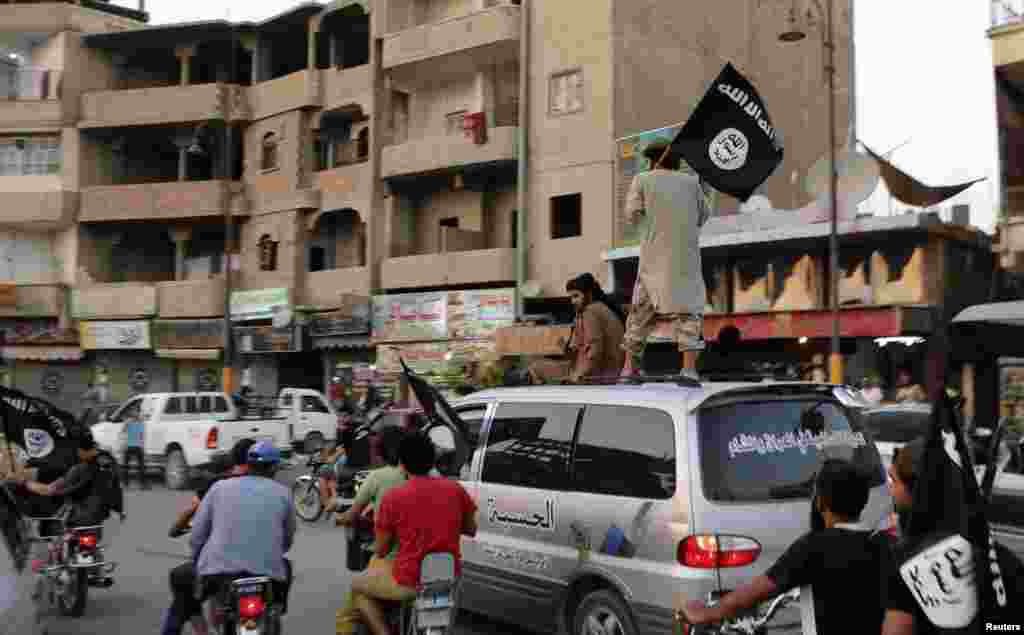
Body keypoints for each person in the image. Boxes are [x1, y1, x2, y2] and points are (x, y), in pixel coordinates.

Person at [678, 459, 891, 634]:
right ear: (862, 501)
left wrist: (707, 612)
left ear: (820, 502)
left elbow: (755, 592)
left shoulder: (814, 546)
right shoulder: (882, 543)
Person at [881, 438, 1024, 635]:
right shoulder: (1002, 560)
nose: (891, 490)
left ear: (918, 492)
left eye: (894, 481)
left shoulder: (907, 562)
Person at [348, 434, 477, 635]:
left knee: (357, 586)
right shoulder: (455, 489)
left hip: (409, 582)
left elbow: (381, 549)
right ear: (433, 460)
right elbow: (471, 529)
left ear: (403, 464)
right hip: (448, 580)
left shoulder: (394, 498)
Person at [621, 140, 709, 378]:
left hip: (653, 260)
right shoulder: (692, 183)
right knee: (688, 314)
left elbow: (631, 215)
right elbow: (703, 216)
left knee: (639, 316)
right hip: (685, 261)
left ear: (651, 160)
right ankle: (689, 369)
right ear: (677, 161)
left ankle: (629, 369)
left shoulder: (642, 179)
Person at [190, 442, 295, 628]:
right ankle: (277, 609)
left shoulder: (219, 488)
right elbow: (287, 539)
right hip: (267, 573)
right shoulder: (283, 493)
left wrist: (196, 554)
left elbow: (197, 533)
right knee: (285, 567)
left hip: (220, 572)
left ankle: (219, 618)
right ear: (274, 467)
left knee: (213, 597)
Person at [161, 438, 256, 635]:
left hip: (221, 565)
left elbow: (196, 527)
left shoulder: (216, 486)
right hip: (262, 564)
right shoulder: (273, 489)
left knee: (182, 581)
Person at [335, 426, 408, 635]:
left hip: (394, 563)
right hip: (430, 565)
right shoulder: (428, 478)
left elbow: (352, 515)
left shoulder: (378, 477)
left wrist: (339, 518)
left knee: (354, 599)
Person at [529, 273, 626, 384]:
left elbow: (595, 351)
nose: (572, 301)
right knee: (537, 365)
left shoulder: (591, 312)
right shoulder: (598, 309)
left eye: (576, 296)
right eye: (571, 297)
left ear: (588, 294)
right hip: (595, 371)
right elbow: (578, 353)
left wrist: (577, 377)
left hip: (595, 375)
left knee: (535, 368)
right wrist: (565, 348)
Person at [17, 428, 118, 528]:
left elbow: (51, 489)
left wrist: (26, 483)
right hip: (86, 513)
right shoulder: (97, 467)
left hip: (66, 511)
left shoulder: (78, 468)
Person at [122, 402, 148, 490]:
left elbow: (142, 434)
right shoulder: (129, 421)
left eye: (136, 411)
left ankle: (142, 484)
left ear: (138, 412)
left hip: (137, 446)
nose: (134, 413)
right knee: (126, 466)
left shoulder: (140, 421)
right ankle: (126, 484)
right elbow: (123, 431)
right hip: (129, 445)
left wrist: (143, 445)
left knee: (141, 466)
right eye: (133, 411)